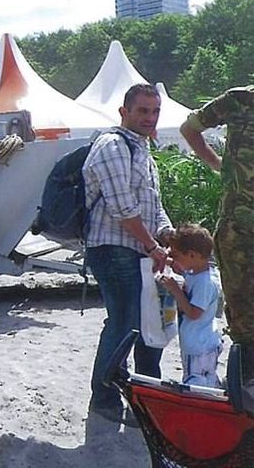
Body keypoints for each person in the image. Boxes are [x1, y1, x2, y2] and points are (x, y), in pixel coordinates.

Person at [82, 83, 174, 425]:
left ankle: (143, 398)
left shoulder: (141, 150)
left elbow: (153, 206)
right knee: (124, 324)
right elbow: (123, 207)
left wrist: (168, 235)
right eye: (143, 111)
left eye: (154, 111)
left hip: (138, 249)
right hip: (113, 249)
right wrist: (152, 245)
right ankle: (105, 399)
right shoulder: (113, 146)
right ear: (124, 112)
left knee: (148, 326)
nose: (150, 118)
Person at [179, 84, 254, 411]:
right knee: (241, 314)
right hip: (239, 232)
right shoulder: (240, 100)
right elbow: (189, 128)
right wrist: (218, 165)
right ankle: (243, 391)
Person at [159, 223, 222, 388]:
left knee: (196, 383)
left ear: (192, 255)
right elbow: (184, 270)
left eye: (178, 255)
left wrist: (176, 291)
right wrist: (171, 261)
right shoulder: (200, 272)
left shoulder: (205, 283)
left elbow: (194, 313)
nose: (176, 259)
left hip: (198, 346)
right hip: (205, 341)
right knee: (207, 378)